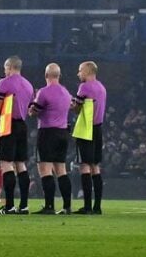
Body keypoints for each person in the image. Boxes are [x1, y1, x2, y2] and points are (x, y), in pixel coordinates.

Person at [29, 62, 74, 215]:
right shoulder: (66, 92)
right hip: (63, 133)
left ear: (46, 75)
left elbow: (34, 111)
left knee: (45, 169)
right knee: (61, 169)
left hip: (47, 132)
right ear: (59, 76)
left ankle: (49, 206)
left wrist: (32, 104)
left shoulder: (43, 92)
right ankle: (67, 206)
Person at [0, 56, 35, 214]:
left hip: (7, 124)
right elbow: (29, 107)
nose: (5, 71)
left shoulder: (4, 82)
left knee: (6, 164)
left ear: (9, 67)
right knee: (21, 164)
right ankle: (24, 205)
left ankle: (9, 205)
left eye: (6, 68)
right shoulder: (28, 85)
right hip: (22, 126)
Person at [72, 60, 108, 214]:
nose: (78, 73)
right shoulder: (101, 87)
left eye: (80, 70)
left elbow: (77, 108)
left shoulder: (84, 87)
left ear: (87, 71)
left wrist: (71, 104)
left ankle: (87, 206)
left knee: (84, 166)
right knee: (95, 166)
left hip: (87, 128)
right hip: (98, 128)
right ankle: (97, 206)